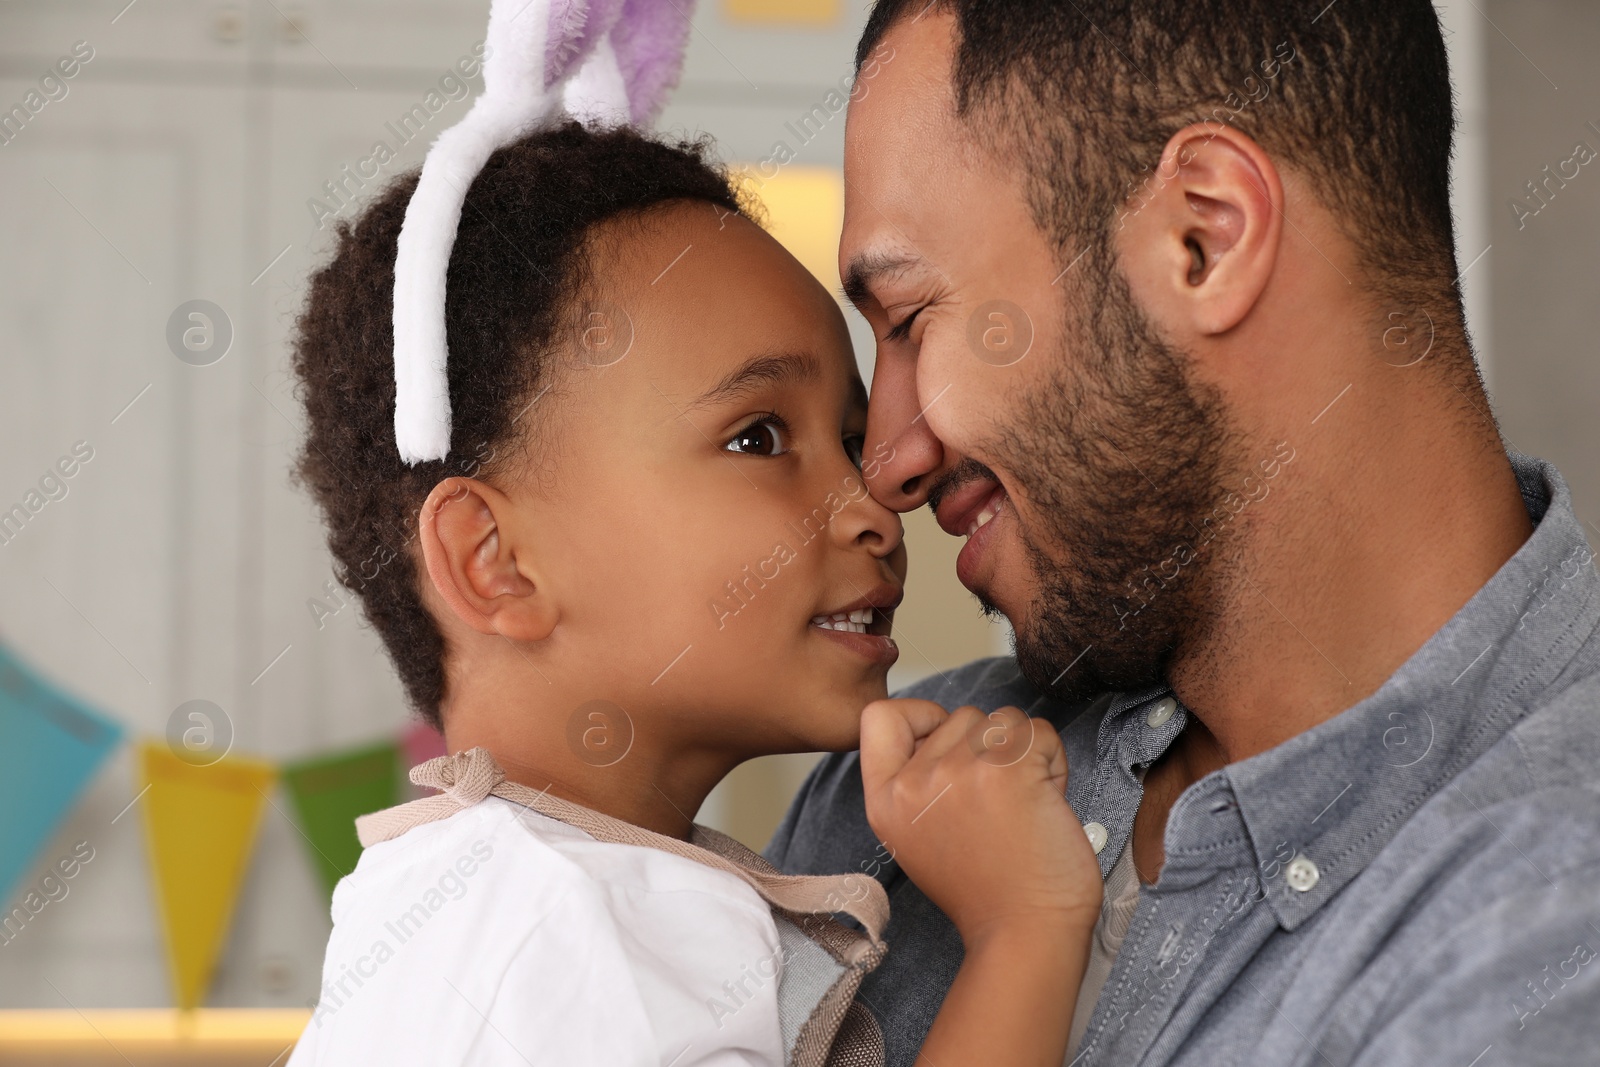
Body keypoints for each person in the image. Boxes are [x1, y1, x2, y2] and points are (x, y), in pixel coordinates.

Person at [768, 1, 1600, 1065]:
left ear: (1202, 238)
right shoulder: (893, 797)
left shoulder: (1549, 935)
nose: (887, 462)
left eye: (913, 318)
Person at [284, 121, 1104, 1067]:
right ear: (494, 560)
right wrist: (1022, 926)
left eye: (846, 439)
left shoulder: (546, 898)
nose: (874, 502)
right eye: (758, 437)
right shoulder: (539, 940)